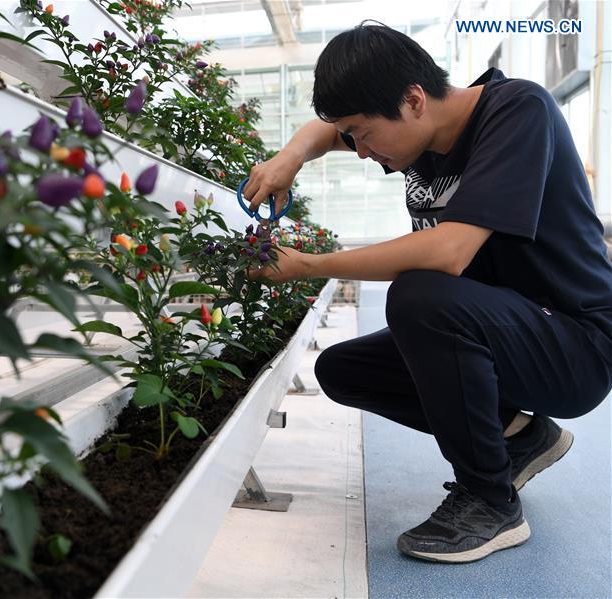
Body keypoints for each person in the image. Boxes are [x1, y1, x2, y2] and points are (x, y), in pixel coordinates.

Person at [245, 22, 612, 563]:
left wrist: (309, 266)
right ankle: (520, 438)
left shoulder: (518, 113)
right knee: (343, 371)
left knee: (421, 296)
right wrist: (289, 158)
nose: (362, 152)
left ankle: (490, 502)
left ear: (414, 100)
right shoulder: (419, 133)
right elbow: (326, 132)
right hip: (507, 331)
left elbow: (450, 252)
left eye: (364, 134)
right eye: (354, 136)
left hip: (575, 343)